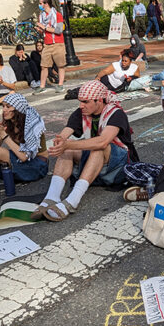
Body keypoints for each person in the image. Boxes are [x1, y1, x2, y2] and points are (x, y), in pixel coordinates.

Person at [32, 80, 138, 221]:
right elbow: (66, 133)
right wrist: (61, 141)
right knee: (67, 147)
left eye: (86, 102)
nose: (81, 106)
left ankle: (72, 201)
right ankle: (52, 197)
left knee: (99, 147)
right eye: (80, 101)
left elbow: (103, 141)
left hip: (118, 166)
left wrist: (68, 145)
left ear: (99, 100)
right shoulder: (81, 112)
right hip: (95, 164)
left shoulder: (116, 114)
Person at [34, 0, 67, 94]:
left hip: (58, 43)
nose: (39, 5)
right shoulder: (41, 16)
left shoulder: (57, 15)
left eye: (41, 3)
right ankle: (42, 86)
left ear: (46, 4)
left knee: (60, 65)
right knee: (44, 66)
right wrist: (39, 30)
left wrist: (43, 27)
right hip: (47, 44)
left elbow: (59, 30)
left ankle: (60, 85)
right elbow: (43, 31)